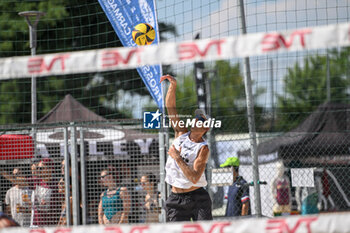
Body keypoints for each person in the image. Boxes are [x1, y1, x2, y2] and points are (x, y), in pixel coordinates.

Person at [160, 74, 213, 222]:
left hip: (197, 197)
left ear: (205, 128)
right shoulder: (181, 133)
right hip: (176, 198)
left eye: (200, 121)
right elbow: (171, 109)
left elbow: (194, 178)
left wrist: (177, 157)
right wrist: (173, 86)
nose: (196, 121)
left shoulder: (203, 148)